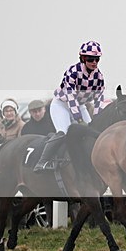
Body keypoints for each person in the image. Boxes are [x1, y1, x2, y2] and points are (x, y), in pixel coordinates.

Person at [35, 41, 106, 171]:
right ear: (83, 58)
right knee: (64, 132)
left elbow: (99, 100)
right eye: (91, 59)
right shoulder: (72, 72)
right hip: (61, 105)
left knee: (93, 131)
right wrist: (78, 120)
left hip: (81, 105)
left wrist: (96, 118)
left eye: (97, 59)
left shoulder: (99, 77)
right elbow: (71, 98)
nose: (94, 62)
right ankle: (43, 161)